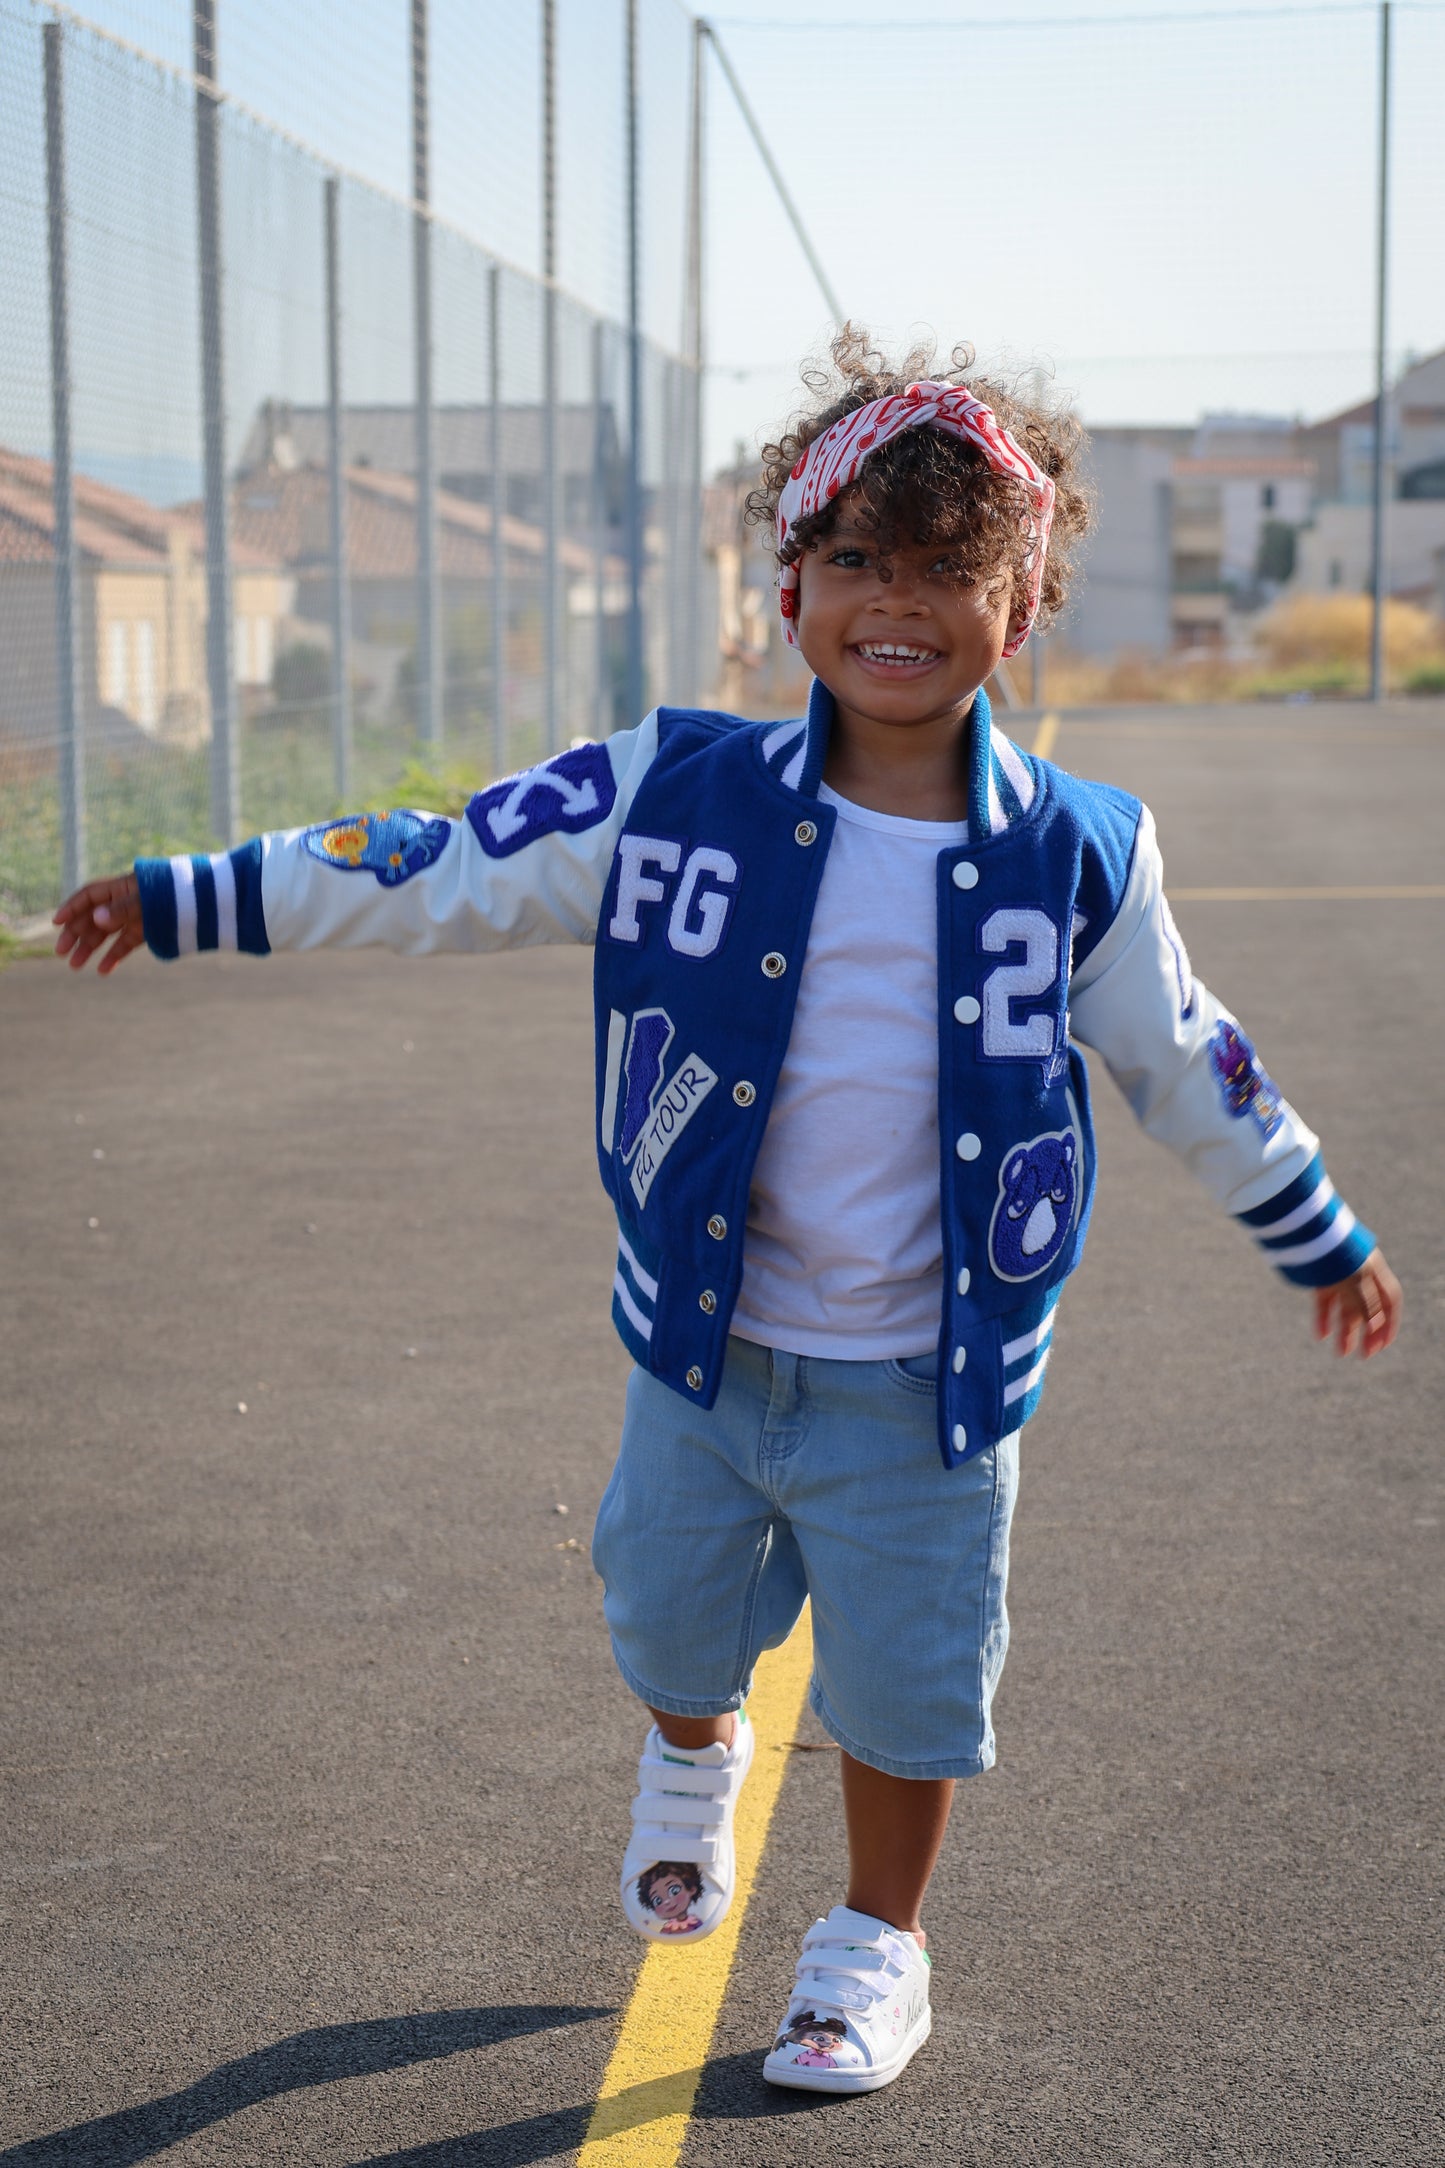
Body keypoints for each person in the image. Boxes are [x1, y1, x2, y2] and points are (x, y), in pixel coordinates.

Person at [54, 329, 1402, 2099]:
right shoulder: (666, 788)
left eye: (944, 569)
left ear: (1027, 596)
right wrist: (193, 891)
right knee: (664, 1623)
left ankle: (871, 1949)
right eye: (853, 561)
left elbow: (1186, 1056)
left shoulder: (1077, 848)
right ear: (790, 584)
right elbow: (439, 856)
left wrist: (1312, 1221)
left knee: (910, 1692)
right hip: (703, 1351)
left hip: (928, 1384)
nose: (891, 603)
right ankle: (691, 1755)